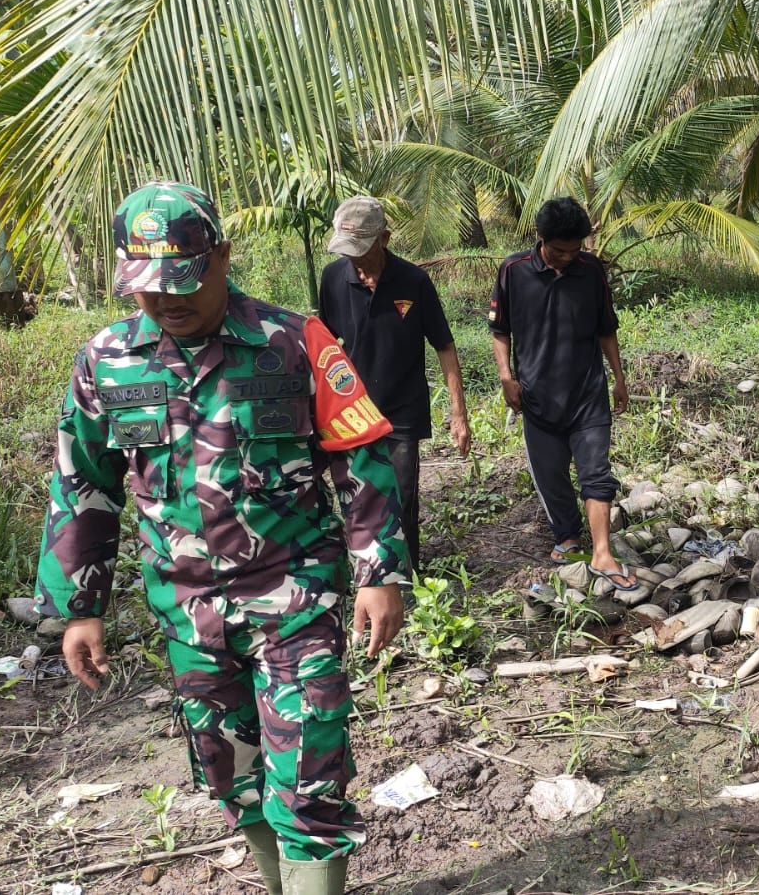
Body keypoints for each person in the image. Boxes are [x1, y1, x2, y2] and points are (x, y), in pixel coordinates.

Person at [34, 181, 407, 895]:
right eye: (148, 286)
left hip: (293, 597)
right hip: (187, 615)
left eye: (184, 280)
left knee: (308, 778)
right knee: (234, 778)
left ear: (222, 257)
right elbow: (83, 483)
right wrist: (80, 606)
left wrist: (378, 569)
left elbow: (358, 455)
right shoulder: (106, 360)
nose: (167, 300)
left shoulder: (293, 341)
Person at [319, 195, 471, 575]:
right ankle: (369, 572)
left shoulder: (413, 281)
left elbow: (445, 346)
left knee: (402, 498)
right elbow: (325, 347)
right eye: (347, 249)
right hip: (353, 412)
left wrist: (459, 415)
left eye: (362, 249)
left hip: (402, 409)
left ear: (384, 239)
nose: (353, 259)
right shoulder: (333, 278)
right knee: (357, 498)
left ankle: (406, 575)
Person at [489, 196, 634, 589]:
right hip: (536, 396)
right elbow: (500, 330)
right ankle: (568, 537)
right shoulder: (513, 271)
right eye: (559, 250)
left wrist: (619, 378)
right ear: (540, 239)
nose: (568, 257)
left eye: (575, 250)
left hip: (587, 393)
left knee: (596, 473)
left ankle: (603, 552)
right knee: (551, 476)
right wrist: (506, 377)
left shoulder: (591, 271)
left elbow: (607, 328)